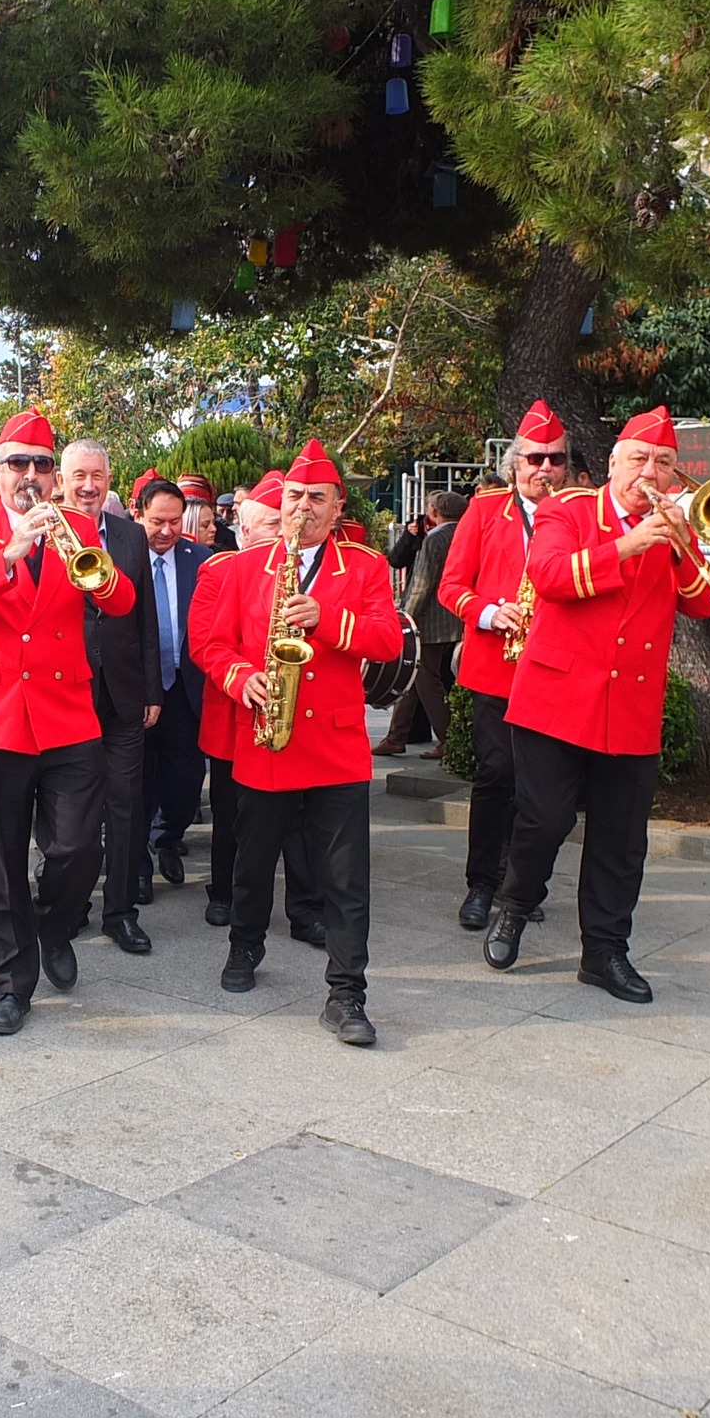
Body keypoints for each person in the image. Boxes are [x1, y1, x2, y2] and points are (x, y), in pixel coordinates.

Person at [483, 406, 710, 1003]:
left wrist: (682, 542)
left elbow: (706, 605)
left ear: (675, 475)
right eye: (640, 458)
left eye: (664, 463)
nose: (651, 471)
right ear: (614, 462)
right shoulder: (569, 508)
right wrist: (629, 545)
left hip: (631, 706)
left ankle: (605, 953)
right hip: (555, 697)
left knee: (621, 839)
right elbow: (548, 575)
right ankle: (513, 905)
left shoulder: (673, 529)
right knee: (543, 820)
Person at [191, 440, 404, 1046]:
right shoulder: (237, 569)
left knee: (345, 875)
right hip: (267, 737)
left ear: (338, 508)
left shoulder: (363, 567)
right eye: (294, 497)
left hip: (336, 746)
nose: (302, 508)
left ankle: (346, 993)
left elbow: (388, 640)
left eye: (317, 499)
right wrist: (241, 677)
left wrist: (330, 622)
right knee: (253, 859)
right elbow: (210, 644)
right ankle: (244, 946)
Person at [0, 409, 135, 1035]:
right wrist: (11, 553)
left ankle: (54, 926)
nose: (28, 474)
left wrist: (97, 576)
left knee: (78, 846)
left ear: (53, 475)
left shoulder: (79, 525)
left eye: (40, 464)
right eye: (17, 462)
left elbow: (123, 600)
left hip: (67, 712)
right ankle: (11, 985)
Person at [439, 399, 571, 931]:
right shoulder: (484, 510)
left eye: (556, 460)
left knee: (539, 790)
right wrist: (491, 613)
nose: (545, 469)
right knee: (496, 775)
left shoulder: (580, 512)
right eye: (535, 459)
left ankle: (520, 884)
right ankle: (480, 884)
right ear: (514, 464)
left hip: (555, 670)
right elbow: (451, 588)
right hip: (495, 666)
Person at [192, 471, 324, 940]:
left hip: (294, 713)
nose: (284, 530)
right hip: (234, 714)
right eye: (270, 524)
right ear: (244, 531)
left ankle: (305, 907)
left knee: (300, 819)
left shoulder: (311, 568)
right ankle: (225, 891)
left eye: (281, 521)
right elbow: (205, 641)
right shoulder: (219, 569)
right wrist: (243, 677)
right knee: (233, 812)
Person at [67, 441, 159, 953]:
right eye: (78, 475)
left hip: (125, 694)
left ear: (109, 478)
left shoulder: (130, 535)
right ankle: (71, 903)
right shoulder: (44, 532)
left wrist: (150, 689)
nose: (88, 485)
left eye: (97, 475)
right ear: (62, 479)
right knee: (73, 813)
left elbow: (144, 615)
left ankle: (120, 911)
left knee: (126, 805)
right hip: (68, 694)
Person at [136, 477, 212, 910]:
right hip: (138, 691)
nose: (166, 531)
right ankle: (139, 869)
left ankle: (168, 837)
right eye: (156, 522)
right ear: (138, 514)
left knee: (185, 781)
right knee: (136, 784)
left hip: (186, 688)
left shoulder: (201, 560)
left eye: (174, 522)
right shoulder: (121, 558)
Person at [375, 490, 466, 759]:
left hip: (429, 621)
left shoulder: (435, 539)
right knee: (415, 678)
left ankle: (448, 739)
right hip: (455, 618)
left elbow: (422, 583)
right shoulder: (465, 535)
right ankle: (396, 736)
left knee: (426, 680)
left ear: (434, 513)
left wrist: (405, 617)